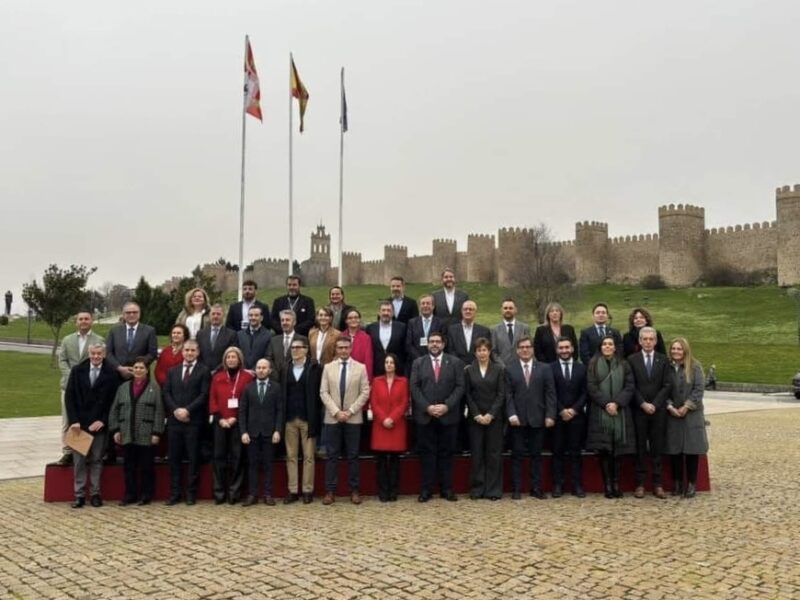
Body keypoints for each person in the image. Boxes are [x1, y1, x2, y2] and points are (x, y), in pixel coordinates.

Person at [410, 332, 464, 502]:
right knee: (427, 454)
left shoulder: (455, 362)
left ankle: (446, 489)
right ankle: (426, 490)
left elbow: (460, 386)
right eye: (431, 342)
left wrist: (447, 405)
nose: (434, 344)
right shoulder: (418, 363)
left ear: (443, 344)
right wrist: (428, 407)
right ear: (427, 344)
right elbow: (414, 387)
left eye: (437, 342)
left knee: (447, 454)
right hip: (426, 417)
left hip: (448, 416)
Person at [64, 343, 117, 508]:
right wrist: (74, 421)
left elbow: (113, 401)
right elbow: (69, 397)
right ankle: (79, 495)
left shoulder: (111, 373)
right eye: (93, 353)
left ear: (104, 354)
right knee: (79, 462)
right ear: (89, 353)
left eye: (99, 354)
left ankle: (95, 494)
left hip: (99, 425)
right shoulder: (77, 370)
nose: (95, 356)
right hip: (80, 425)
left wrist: (103, 420)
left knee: (96, 460)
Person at [320, 337, 371, 505]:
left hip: (353, 418)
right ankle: (330, 491)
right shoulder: (328, 368)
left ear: (351, 349)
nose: (343, 350)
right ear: (336, 349)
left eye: (346, 347)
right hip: (333, 418)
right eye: (340, 347)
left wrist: (350, 411)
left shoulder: (361, 368)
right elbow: (323, 392)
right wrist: (336, 412)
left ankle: (354, 490)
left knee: (353, 455)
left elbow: (365, 391)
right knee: (332, 455)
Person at [108, 356, 164, 506]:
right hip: (127, 432)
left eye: (141, 368)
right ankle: (130, 494)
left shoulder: (154, 388)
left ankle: (146, 494)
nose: (138, 370)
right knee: (129, 466)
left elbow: (159, 411)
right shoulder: (123, 388)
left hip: (146, 433)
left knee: (146, 466)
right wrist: (115, 430)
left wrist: (157, 433)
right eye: (136, 367)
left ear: (147, 370)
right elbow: (114, 409)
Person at [505, 336, 557, 499]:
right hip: (517, 419)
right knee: (517, 455)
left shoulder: (544, 368)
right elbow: (508, 395)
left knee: (536, 455)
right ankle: (517, 489)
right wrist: (511, 413)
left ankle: (536, 488)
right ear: (517, 350)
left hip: (538, 418)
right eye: (522, 347)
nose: (525, 349)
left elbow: (550, 394)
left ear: (533, 349)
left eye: (528, 347)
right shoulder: (510, 369)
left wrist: (550, 415)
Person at [586, 335, 636, 499]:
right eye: (604, 344)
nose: (607, 347)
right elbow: (591, 387)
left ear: (615, 348)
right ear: (600, 347)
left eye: (610, 344)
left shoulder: (624, 364)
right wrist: (607, 403)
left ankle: (616, 483)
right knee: (605, 451)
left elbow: (629, 386)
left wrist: (617, 403)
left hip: (620, 412)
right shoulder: (593, 364)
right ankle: (607, 484)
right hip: (600, 412)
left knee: (618, 452)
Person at [162, 340, 211, 505]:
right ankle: (175, 493)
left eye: (192, 350)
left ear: (198, 353)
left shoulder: (204, 371)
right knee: (174, 459)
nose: (189, 353)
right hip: (175, 422)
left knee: (193, 458)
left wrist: (187, 410)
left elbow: (203, 395)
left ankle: (191, 493)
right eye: (187, 350)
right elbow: (167, 393)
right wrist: (176, 410)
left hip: (193, 421)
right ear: (182, 352)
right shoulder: (172, 371)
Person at [628, 326, 672, 499]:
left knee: (657, 448)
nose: (647, 342)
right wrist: (642, 404)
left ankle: (657, 484)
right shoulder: (631, 360)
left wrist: (655, 404)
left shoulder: (663, 360)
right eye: (644, 339)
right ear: (639, 341)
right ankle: (639, 484)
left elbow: (667, 385)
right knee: (639, 448)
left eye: (650, 339)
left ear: (655, 341)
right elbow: (631, 385)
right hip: (639, 410)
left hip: (658, 411)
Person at [56, 310, 104, 465]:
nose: (83, 321)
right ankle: (68, 452)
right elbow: (62, 360)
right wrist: (73, 375)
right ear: (76, 322)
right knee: (68, 420)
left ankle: (86, 450)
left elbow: (101, 361)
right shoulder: (67, 340)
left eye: (87, 319)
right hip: (68, 385)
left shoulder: (99, 340)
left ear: (92, 321)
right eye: (80, 319)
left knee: (87, 419)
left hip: (90, 387)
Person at [209, 346, 254, 505]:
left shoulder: (247, 377)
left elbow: (248, 400)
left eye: (234, 357)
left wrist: (235, 418)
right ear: (224, 360)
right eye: (228, 357)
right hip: (220, 422)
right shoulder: (218, 377)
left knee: (237, 458)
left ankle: (234, 492)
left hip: (238, 423)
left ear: (239, 359)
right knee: (219, 457)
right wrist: (221, 418)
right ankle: (219, 492)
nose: (231, 360)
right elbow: (212, 400)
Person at [281, 335, 322, 504]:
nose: (295, 351)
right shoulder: (285, 367)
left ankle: (307, 490)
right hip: (289, 418)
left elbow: (319, 394)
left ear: (306, 349)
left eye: (298, 347)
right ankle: (292, 490)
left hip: (308, 418)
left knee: (309, 456)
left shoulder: (315, 368)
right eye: (293, 348)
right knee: (291, 456)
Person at [666, 337, 709, 498]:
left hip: (691, 414)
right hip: (673, 413)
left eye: (679, 349)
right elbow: (664, 389)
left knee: (692, 450)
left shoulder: (695, 367)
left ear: (685, 350)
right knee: (675, 450)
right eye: (673, 349)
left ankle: (691, 483)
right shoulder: (668, 368)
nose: (676, 351)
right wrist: (669, 406)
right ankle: (677, 482)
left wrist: (687, 406)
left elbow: (699, 389)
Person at [464, 338, 505, 500]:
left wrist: (490, 414)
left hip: (494, 418)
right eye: (479, 350)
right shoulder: (468, 370)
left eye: (485, 350)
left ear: (489, 352)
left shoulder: (499, 369)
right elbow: (467, 394)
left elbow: (501, 394)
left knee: (493, 454)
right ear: (475, 352)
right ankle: (477, 489)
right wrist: (476, 414)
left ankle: (493, 490)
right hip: (475, 419)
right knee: (477, 454)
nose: (482, 353)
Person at [240, 358, 284, 506]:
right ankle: (252, 494)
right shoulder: (248, 388)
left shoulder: (276, 388)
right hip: (251, 433)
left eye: (264, 368)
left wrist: (278, 430)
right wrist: (243, 431)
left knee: (268, 465)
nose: (261, 370)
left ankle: (268, 494)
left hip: (269, 433)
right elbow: (242, 412)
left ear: (270, 370)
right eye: (258, 367)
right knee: (252, 465)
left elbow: (280, 411)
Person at [550, 337, 587, 498]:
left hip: (576, 417)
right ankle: (558, 484)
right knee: (557, 451)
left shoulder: (582, 368)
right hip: (558, 417)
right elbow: (550, 392)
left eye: (567, 347)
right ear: (557, 350)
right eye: (561, 348)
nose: (564, 351)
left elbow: (586, 392)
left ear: (572, 349)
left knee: (575, 452)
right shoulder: (550, 368)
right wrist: (561, 410)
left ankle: (577, 485)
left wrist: (573, 410)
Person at [370, 354, 409, 502]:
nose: (389, 364)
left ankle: (393, 491)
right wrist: (383, 418)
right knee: (380, 462)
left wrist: (392, 418)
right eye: (386, 362)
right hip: (380, 426)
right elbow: (374, 403)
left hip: (396, 425)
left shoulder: (403, 381)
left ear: (396, 365)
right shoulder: (376, 381)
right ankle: (382, 491)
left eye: (391, 362)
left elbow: (404, 402)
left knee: (394, 461)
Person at [105, 302, 158, 380]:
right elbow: (108, 353)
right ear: (123, 314)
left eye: (135, 312)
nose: (131, 315)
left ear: (139, 314)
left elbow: (152, 353)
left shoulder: (149, 331)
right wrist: (119, 368)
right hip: (117, 375)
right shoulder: (114, 331)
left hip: (140, 376)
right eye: (128, 312)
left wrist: (138, 367)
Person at [366, 301, 407, 376]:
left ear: (393, 313)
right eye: (383, 310)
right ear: (379, 312)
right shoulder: (370, 328)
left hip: (396, 369)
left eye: (389, 310)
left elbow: (405, 349)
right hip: (377, 368)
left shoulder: (402, 327)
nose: (386, 313)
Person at [196, 304, 238, 375]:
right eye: (213, 314)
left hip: (223, 372)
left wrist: (217, 370)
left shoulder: (231, 334)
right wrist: (204, 369)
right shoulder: (200, 334)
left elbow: (231, 355)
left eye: (218, 314)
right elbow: (198, 354)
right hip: (202, 372)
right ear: (209, 316)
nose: (215, 316)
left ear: (223, 316)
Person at [405, 294, 443, 369]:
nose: (425, 306)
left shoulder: (440, 323)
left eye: (428, 303)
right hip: (416, 362)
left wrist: (431, 358)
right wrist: (420, 359)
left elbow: (443, 342)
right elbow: (408, 344)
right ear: (419, 307)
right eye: (423, 303)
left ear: (433, 306)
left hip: (435, 362)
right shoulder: (412, 323)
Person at [491, 298, 531, 367]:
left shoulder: (524, 328)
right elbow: (493, 352)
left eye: (510, 308)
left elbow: (529, 349)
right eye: (505, 308)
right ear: (501, 310)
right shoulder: (494, 330)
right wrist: (502, 366)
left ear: (516, 310)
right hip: (501, 369)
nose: (508, 310)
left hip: (521, 368)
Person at [266, 309, 298, 381]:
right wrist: (275, 375)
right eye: (282, 320)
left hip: (294, 380)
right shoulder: (274, 340)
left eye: (287, 320)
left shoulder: (302, 340)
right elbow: (268, 358)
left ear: (294, 322)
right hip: (276, 380)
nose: (284, 322)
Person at [343, 308, 374, 381]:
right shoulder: (341, 336)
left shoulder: (366, 338)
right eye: (350, 318)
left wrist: (368, 378)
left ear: (359, 320)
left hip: (359, 375)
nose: (353, 320)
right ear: (346, 321)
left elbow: (368, 359)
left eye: (356, 317)